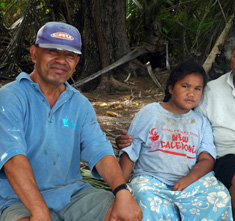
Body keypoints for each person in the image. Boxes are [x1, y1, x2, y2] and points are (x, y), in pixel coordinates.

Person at [116, 27, 235, 220]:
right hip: (233, 167)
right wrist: (130, 143)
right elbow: (179, 122)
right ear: (230, 59)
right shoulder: (211, 92)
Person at [0, 21, 142, 221]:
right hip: (19, 200)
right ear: (34, 54)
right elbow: (13, 158)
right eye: (52, 52)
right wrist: (39, 211)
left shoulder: (79, 104)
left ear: (76, 62)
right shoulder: (10, 97)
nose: (61, 60)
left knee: (122, 213)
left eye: (69, 55)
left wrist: (122, 191)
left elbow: (100, 151)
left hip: (72, 195)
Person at [119, 60, 233, 220]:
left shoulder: (201, 122)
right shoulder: (150, 113)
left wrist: (189, 179)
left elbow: (206, 159)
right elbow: (130, 151)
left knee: (219, 196)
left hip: (190, 182)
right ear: (171, 88)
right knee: (146, 198)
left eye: (197, 88)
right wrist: (119, 189)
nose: (191, 93)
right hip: (151, 181)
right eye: (185, 86)